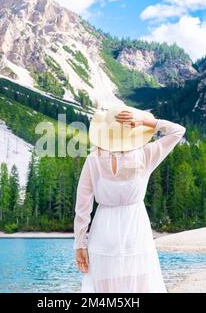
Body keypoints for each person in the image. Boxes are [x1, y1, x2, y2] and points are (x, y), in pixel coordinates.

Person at [73, 105, 186, 293]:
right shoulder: (145, 155)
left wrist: (79, 245)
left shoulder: (93, 159)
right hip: (135, 228)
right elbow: (177, 131)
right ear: (132, 132)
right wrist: (146, 122)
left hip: (103, 231)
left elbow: (82, 207)